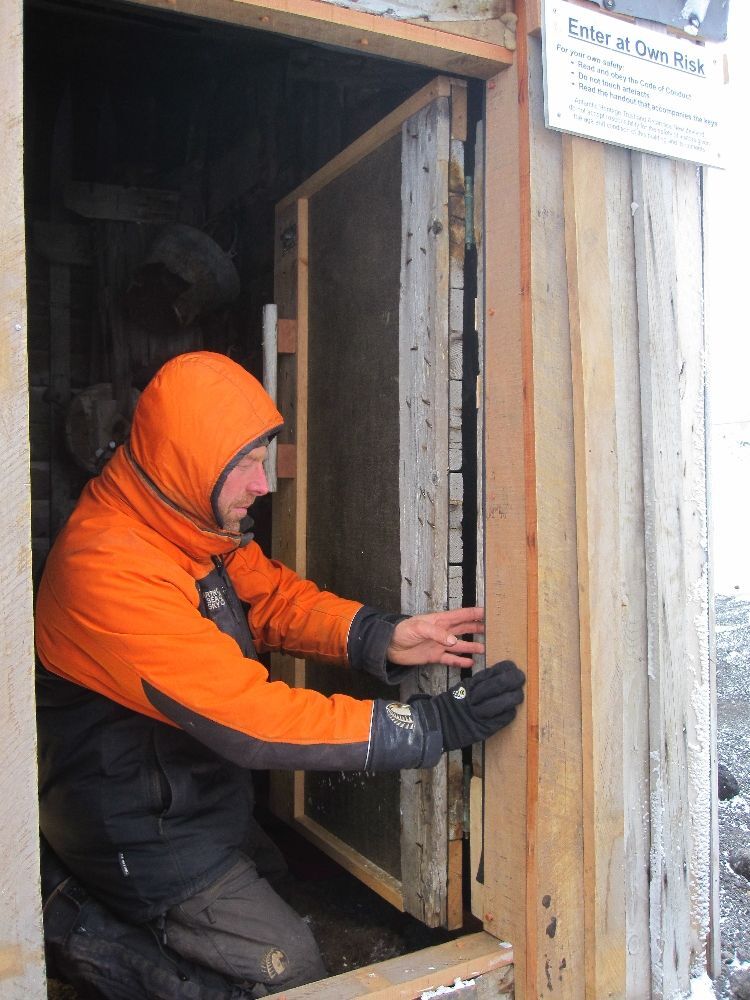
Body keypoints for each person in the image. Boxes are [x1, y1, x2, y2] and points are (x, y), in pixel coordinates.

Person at [35, 351, 525, 998]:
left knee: (278, 882)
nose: (264, 486)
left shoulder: (181, 520)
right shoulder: (109, 569)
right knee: (290, 969)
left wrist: (383, 635)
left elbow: (269, 601)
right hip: (133, 828)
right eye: (248, 465)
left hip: (188, 791)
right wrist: (432, 724)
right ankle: (79, 930)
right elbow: (252, 720)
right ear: (190, 459)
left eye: (263, 459)